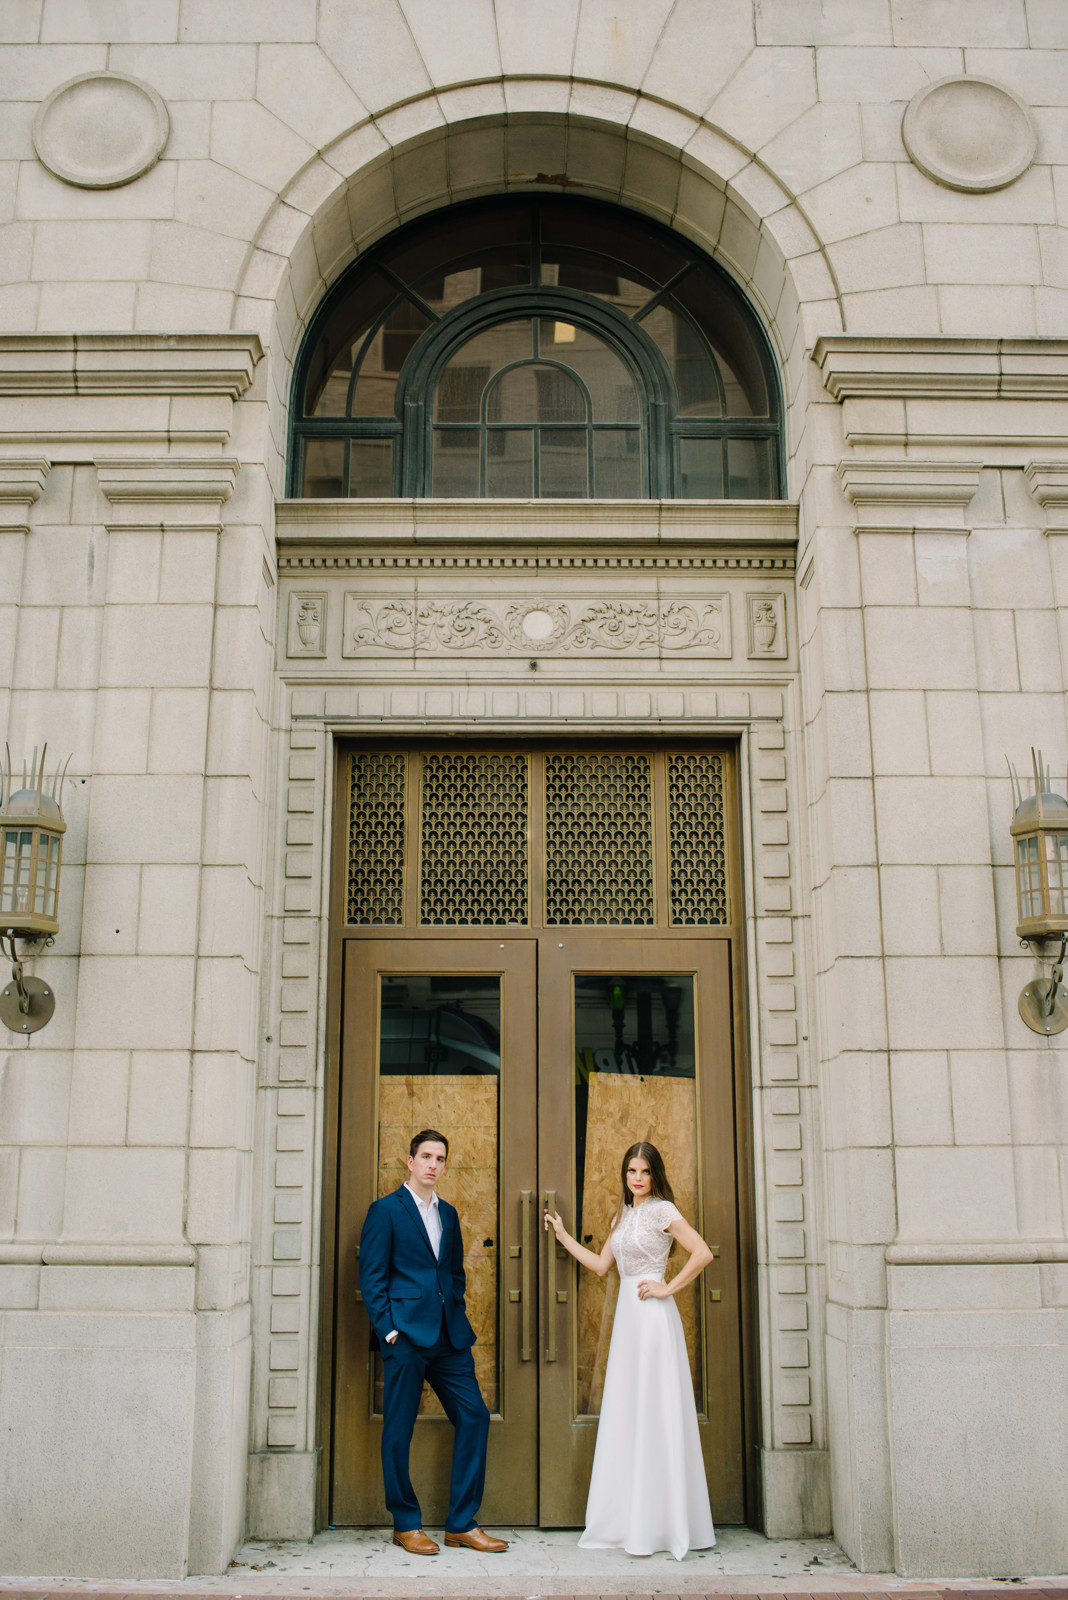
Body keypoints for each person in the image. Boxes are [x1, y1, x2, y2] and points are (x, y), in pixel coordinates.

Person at [544, 1141, 717, 1560]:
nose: (637, 1179)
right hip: (627, 1323)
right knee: (629, 1411)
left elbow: (703, 1252)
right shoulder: (622, 1214)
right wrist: (564, 1235)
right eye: (630, 1172)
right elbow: (603, 1266)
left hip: (654, 1320)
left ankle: (663, 1525)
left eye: (644, 1172)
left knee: (656, 1411)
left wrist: (667, 1287)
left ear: (655, 1175)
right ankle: (627, 1520)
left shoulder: (663, 1211)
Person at [359, 1128, 508, 1557]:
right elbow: (372, 1276)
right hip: (404, 1337)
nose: (432, 1164)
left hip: (448, 1338)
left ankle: (461, 1523)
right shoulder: (385, 1211)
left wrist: (455, 1311)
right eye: (425, 1156)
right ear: (410, 1162)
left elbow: (454, 1274)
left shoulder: (450, 1214)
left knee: (475, 1416)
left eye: (440, 1159)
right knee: (398, 1430)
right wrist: (389, 1330)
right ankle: (406, 1523)